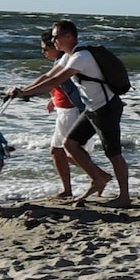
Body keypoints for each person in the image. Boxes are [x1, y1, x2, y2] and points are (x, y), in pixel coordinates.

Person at [9, 20, 130, 206]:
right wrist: (23, 90)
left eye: (56, 37)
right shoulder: (69, 55)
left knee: (113, 153)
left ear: (69, 36)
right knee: (70, 144)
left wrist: (26, 93)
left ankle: (124, 197)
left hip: (106, 108)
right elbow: (48, 76)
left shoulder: (81, 56)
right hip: (92, 108)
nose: (53, 40)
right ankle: (98, 178)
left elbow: (56, 80)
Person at [39, 30, 84, 197]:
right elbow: (61, 87)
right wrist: (53, 100)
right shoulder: (63, 60)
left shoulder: (63, 62)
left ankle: (96, 176)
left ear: (55, 47)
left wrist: (24, 92)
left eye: (45, 49)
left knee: (57, 151)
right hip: (66, 110)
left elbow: (53, 81)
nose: (43, 53)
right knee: (65, 152)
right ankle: (95, 176)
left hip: (70, 112)